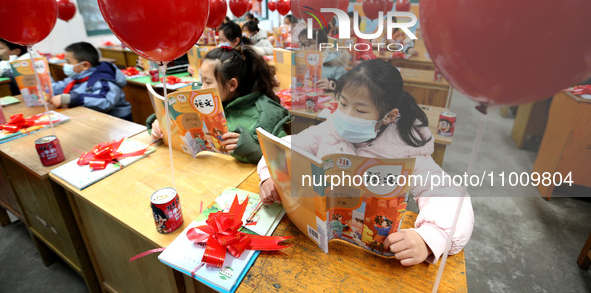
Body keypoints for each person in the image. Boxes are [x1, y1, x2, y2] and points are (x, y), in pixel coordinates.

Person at [258, 59, 473, 266]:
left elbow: (447, 193)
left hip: (370, 258)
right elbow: (285, 146)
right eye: (342, 103)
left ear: (389, 116)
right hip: (316, 244)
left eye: (360, 110)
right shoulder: (330, 130)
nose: (346, 115)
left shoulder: (406, 150)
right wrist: (269, 175)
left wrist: (429, 239)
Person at [149, 45, 290, 164]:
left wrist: (253, 149)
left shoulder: (265, 115)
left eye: (208, 82)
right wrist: (161, 125)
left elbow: (285, 160)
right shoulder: (198, 100)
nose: (202, 89)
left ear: (232, 84)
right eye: (201, 80)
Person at [50, 42, 132, 120]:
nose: (65, 65)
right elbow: (57, 87)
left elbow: (104, 101)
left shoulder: (105, 79)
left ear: (85, 65)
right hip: (90, 118)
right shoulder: (76, 77)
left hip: (116, 122)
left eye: (68, 62)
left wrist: (70, 99)